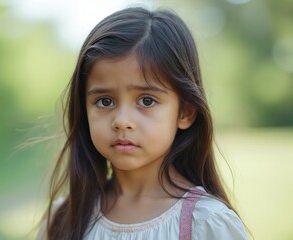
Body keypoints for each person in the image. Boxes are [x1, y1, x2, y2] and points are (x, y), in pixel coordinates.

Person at [37, 6, 249, 240]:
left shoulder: (206, 224)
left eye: (147, 100)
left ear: (185, 113)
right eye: (105, 101)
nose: (121, 121)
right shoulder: (63, 219)